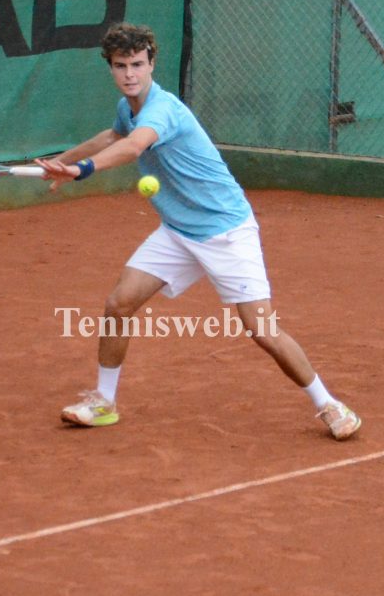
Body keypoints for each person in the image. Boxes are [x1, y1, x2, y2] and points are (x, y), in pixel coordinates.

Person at [35, 22, 361, 440]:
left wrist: (80, 171)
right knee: (119, 305)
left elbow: (134, 146)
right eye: (121, 66)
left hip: (226, 230)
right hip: (177, 231)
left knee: (261, 329)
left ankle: (328, 404)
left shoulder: (162, 110)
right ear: (111, 69)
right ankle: (104, 401)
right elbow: (114, 135)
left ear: (152, 63)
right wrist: (60, 162)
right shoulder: (128, 107)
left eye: (137, 64)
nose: (130, 74)